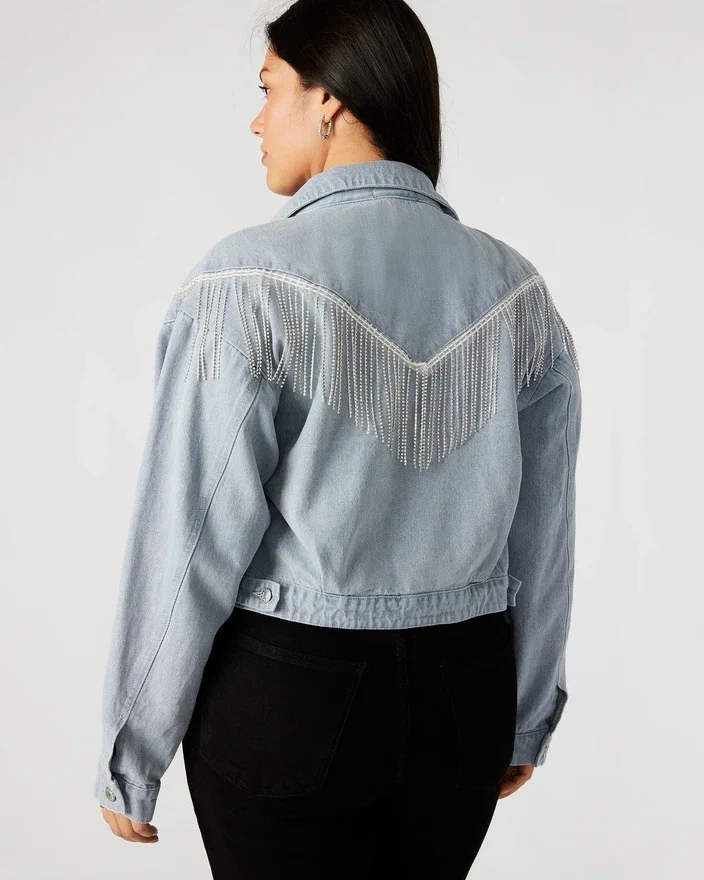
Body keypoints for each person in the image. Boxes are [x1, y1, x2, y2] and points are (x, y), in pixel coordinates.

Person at [94, 1, 582, 877]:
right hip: (465, 699)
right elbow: (542, 534)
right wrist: (525, 715)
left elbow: (191, 535)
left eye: (268, 89)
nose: (256, 120)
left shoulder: (246, 283)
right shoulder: (519, 295)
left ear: (329, 98)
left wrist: (132, 748)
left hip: (290, 697)